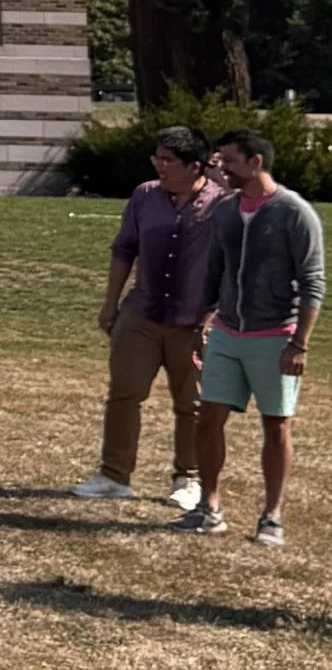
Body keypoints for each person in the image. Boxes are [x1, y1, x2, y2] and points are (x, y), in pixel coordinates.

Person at [178, 128, 323, 547]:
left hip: (276, 336)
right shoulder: (225, 211)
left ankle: (272, 517)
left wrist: (299, 344)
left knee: (276, 425)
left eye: (229, 160)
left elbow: (312, 282)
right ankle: (209, 508)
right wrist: (200, 323)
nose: (220, 167)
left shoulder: (294, 212)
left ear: (256, 163)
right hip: (227, 332)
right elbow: (215, 271)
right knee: (208, 419)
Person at [75, 126, 212, 509]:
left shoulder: (222, 204)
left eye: (167, 160)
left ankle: (189, 478)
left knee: (192, 405)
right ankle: (113, 476)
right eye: (157, 158)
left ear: (194, 166)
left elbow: (233, 266)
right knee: (123, 394)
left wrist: (215, 316)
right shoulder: (144, 196)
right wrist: (110, 304)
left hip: (194, 322)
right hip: (141, 314)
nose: (159, 166)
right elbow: (124, 249)